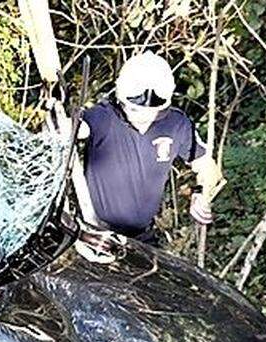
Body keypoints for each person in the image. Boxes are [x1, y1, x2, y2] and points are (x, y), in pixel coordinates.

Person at [81, 51, 222, 245]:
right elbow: (69, 131)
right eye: (134, 110)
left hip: (143, 237)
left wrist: (201, 192)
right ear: (121, 99)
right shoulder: (101, 118)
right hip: (96, 234)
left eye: (155, 113)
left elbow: (206, 165)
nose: (144, 118)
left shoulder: (177, 124)